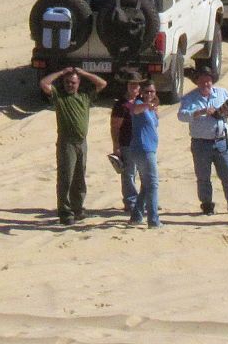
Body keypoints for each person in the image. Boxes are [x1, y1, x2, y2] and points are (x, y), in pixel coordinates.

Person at [39, 65, 106, 225]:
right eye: (68, 82)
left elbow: (102, 84)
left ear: (78, 84)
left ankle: (78, 208)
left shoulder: (84, 97)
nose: (70, 85)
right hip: (66, 142)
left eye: (73, 83)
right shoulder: (59, 97)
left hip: (82, 143)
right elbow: (44, 83)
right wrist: (61, 72)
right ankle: (65, 211)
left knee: (79, 177)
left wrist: (83, 72)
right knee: (66, 177)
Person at [176, 65, 228, 216]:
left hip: (221, 141)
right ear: (197, 82)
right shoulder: (189, 97)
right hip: (200, 143)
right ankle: (207, 204)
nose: (206, 84)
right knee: (203, 176)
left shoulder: (222, 93)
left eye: (208, 81)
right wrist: (199, 112)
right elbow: (181, 115)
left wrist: (227, 111)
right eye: (203, 81)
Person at [109, 70, 146, 217]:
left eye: (136, 85)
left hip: (142, 143)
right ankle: (131, 202)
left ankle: (143, 200)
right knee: (129, 174)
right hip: (127, 143)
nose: (134, 87)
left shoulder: (142, 102)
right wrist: (116, 146)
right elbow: (115, 127)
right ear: (127, 86)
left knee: (144, 173)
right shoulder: (121, 105)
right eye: (132, 85)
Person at [127, 84, 162, 227]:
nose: (149, 93)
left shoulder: (151, 108)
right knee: (153, 184)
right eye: (146, 91)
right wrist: (148, 105)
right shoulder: (139, 104)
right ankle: (153, 220)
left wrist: (153, 107)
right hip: (143, 149)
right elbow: (135, 110)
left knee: (146, 185)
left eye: (152, 91)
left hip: (149, 148)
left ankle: (136, 216)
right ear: (141, 92)